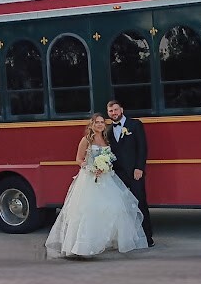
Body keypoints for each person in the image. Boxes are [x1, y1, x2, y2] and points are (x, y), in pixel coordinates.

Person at [45, 113, 148, 258]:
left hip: (106, 178)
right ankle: (83, 247)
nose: (100, 124)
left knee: (115, 207)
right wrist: (91, 169)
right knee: (89, 211)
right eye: (97, 122)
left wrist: (106, 166)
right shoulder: (86, 140)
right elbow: (78, 159)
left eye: (102, 122)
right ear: (92, 124)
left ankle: (106, 241)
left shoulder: (106, 139)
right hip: (89, 179)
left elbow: (110, 158)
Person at [106, 100, 154, 247]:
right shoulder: (108, 130)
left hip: (134, 173)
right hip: (117, 174)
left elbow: (142, 147)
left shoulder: (135, 125)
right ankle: (128, 238)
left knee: (140, 203)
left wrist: (139, 167)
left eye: (116, 110)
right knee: (122, 207)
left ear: (121, 110)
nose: (114, 113)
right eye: (111, 111)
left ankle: (147, 238)